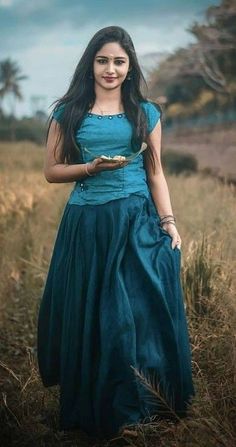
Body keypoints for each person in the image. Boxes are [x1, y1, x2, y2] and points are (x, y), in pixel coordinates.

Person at [37, 25, 195, 441]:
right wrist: (90, 168)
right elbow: (52, 171)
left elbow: (156, 174)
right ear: (91, 63)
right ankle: (96, 406)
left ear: (130, 66)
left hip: (136, 220)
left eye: (119, 62)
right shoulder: (66, 111)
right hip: (88, 224)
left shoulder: (146, 112)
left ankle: (143, 405)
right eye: (103, 60)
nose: (111, 68)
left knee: (136, 314)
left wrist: (169, 222)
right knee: (96, 316)